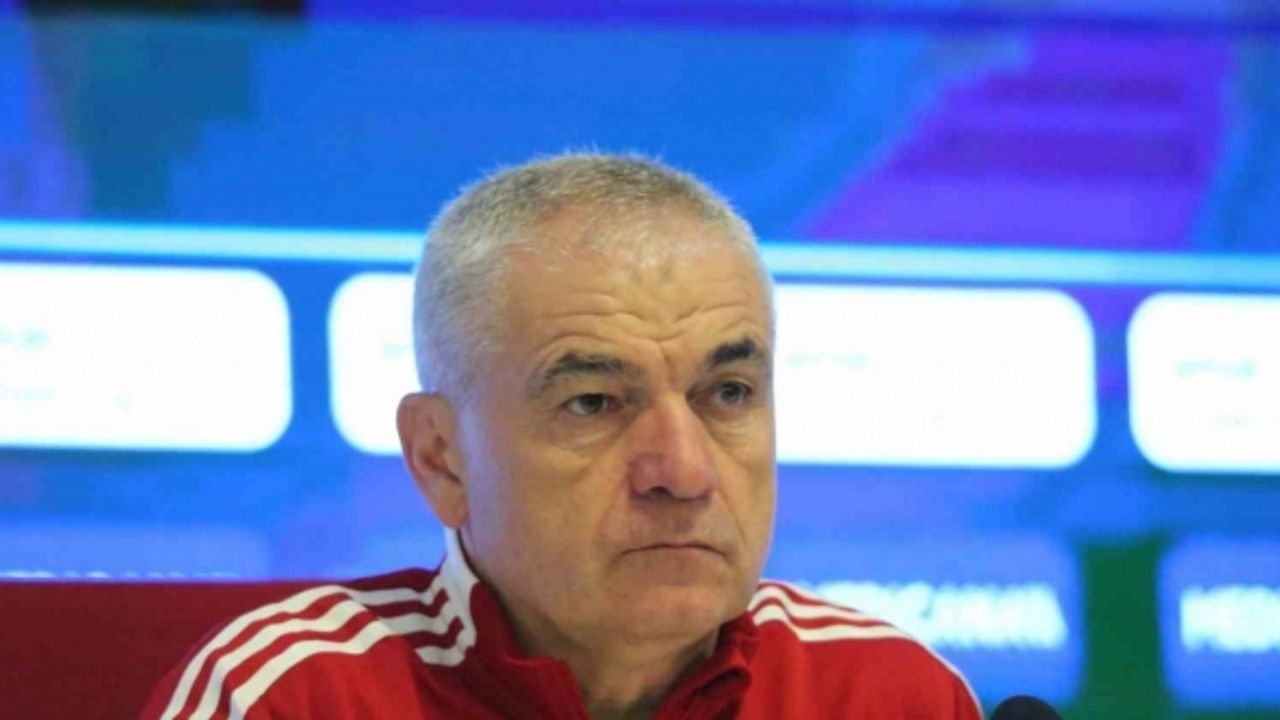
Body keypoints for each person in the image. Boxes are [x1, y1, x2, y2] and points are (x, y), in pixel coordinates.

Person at [142, 153, 982, 719]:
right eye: (593, 403)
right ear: (441, 459)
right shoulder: (293, 700)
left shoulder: (885, 697)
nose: (684, 471)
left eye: (727, 393)